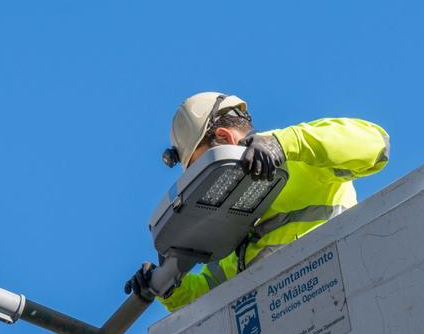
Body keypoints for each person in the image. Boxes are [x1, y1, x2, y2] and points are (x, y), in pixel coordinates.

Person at [126, 92, 389, 311]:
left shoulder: (300, 158)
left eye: (200, 166)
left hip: (347, 298)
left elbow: (375, 145)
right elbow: (207, 298)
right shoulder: (230, 228)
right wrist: (166, 286)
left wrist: (285, 144)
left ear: (225, 138)